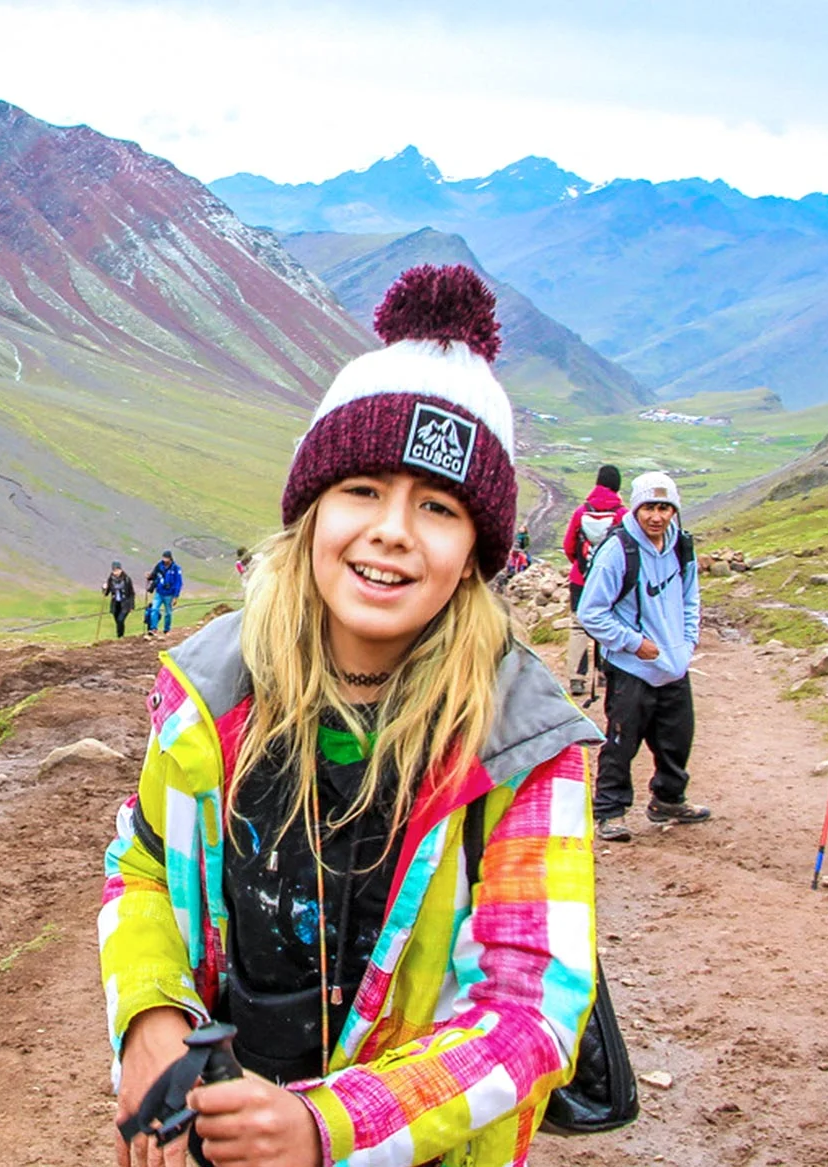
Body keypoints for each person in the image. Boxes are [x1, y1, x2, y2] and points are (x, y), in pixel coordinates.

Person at [99, 265, 601, 1167]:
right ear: (313, 508)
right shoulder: (212, 693)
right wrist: (149, 1012)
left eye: (437, 506)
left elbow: (532, 1012)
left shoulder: (520, 740)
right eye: (363, 488)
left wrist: (330, 1127)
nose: (392, 530)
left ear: (475, 553)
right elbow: (142, 863)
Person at [575, 471, 706, 842]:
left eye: (665, 508)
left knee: (677, 738)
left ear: (674, 510)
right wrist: (634, 643)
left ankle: (668, 799)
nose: (657, 516)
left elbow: (690, 598)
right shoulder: (618, 551)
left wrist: (687, 642)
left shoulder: (681, 546)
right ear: (635, 508)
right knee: (622, 741)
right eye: (649, 507)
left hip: (673, 665)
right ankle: (610, 811)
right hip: (631, 667)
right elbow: (590, 612)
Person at [561, 466, 625, 697]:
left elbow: (569, 545)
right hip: (609, 581)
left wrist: (581, 566)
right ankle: (604, 673)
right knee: (608, 622)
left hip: (580, 579)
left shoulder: (581, 512)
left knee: (578, 626)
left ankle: (576, 678)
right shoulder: (622, 515)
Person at [145, 550, 183, 636]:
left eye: (166, 558)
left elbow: (178, 583)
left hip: (169, 594)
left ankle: (167, 629)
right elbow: (154, 575)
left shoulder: (176, 568)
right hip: (159, 592)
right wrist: (149, 577)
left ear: (170, 558)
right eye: (163, 558)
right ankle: (153, 628)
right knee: (154, 609)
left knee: (168, 612)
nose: (164, 560)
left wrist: (175, 596)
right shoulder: (159, 565)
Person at [103, 561, 137, 638]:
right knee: (117, 621)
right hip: (115, 603)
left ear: (121, 570)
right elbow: (106, 593)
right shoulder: (110, 579)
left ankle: (120, 636)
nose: (116, 572)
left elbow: (131, 593)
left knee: (120, 620)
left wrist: (132, 606)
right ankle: (120, 636)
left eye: (117, 570)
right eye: (114, 570)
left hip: (125, 603)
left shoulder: (127, 579)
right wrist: (104, 588)